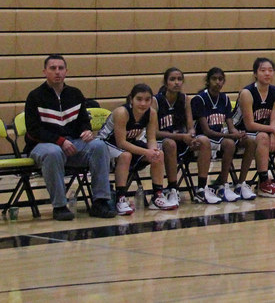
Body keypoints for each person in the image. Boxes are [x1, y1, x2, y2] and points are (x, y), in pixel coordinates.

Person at [23, 55, 118, 220]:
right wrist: (60, 141)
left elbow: (83, 121)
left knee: (99, 146)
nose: (57, 72)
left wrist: (86, 131)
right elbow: (33, 130)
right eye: (53, 68)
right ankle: (59, 206)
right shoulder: (35, 96)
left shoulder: (75, 94)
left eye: (61, 68)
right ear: (45, 72)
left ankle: (100, 202)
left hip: (73, 143)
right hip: (43, 145)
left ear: (66, 71)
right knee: (53, 152)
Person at [98, 83, 174, 214]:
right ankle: (120, 198)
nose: (143, 103)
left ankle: (157, 196)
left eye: (147, 99)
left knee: (159, 154)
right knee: (125, 156)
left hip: (128, 144)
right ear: (131, 99)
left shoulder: (151, 113)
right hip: (105, 144)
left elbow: (151, 138)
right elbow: (121, 143)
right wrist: (146, 152)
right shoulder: (122, 112)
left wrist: (153, 151)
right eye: (139, 99)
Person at [235, 57, 275, 198]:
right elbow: (249, 124)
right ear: (255, 73)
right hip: (240, 131)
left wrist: (274, 133)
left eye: (270, 70)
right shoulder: (247, 93)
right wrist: (273, 130)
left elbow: (274, 120)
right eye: (263, 70)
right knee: (264, 137)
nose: (267, 73)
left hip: (263, 130)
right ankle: (264, 184)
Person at [155, 67, 220, 204]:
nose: (176, 82)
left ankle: (201, 188)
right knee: (170, 143)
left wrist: (191, 136)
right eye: (172, 79)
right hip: (161, 143)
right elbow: (155, 133)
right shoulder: (156, 101)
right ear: (166, 82)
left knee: (204, 140)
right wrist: (182, 137)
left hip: (181, 140)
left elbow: (190, 127)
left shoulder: (185, 100)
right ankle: (173, 189)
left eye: (179, 79)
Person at [191, 66, 250, 201]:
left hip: (218, 137)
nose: (217, 82)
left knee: (233, 144)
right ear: (208, 81)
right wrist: (230, 135)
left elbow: (230, 126)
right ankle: (201, 188)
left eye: (220, 79)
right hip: (201, 137)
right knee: (225, 141)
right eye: (214, 79)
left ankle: (223, 185)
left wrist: (238, 134)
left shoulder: (225, 98)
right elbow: (206, 131)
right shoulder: (200, 99)